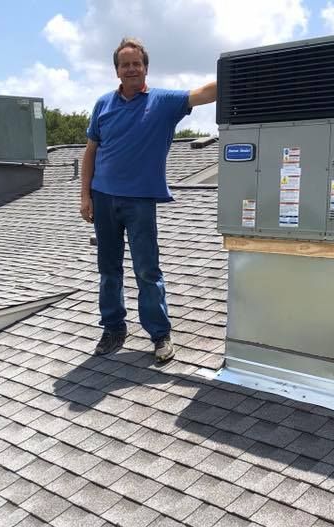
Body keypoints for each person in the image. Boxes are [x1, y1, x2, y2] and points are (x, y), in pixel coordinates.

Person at [80, 37, 217, 364]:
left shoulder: (164, 102)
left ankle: (159, 334)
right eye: (125, 64)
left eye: (136, 63)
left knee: (147, 270)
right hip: (103, 199)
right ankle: (113, 328)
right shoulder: (103, 105)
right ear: (117, 70)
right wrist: (85, 196)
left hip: (140, 201)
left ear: (145, 68)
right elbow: (90, 152)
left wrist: (241, 71)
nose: (131, 69)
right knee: (108, 269)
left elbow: (206, 93)